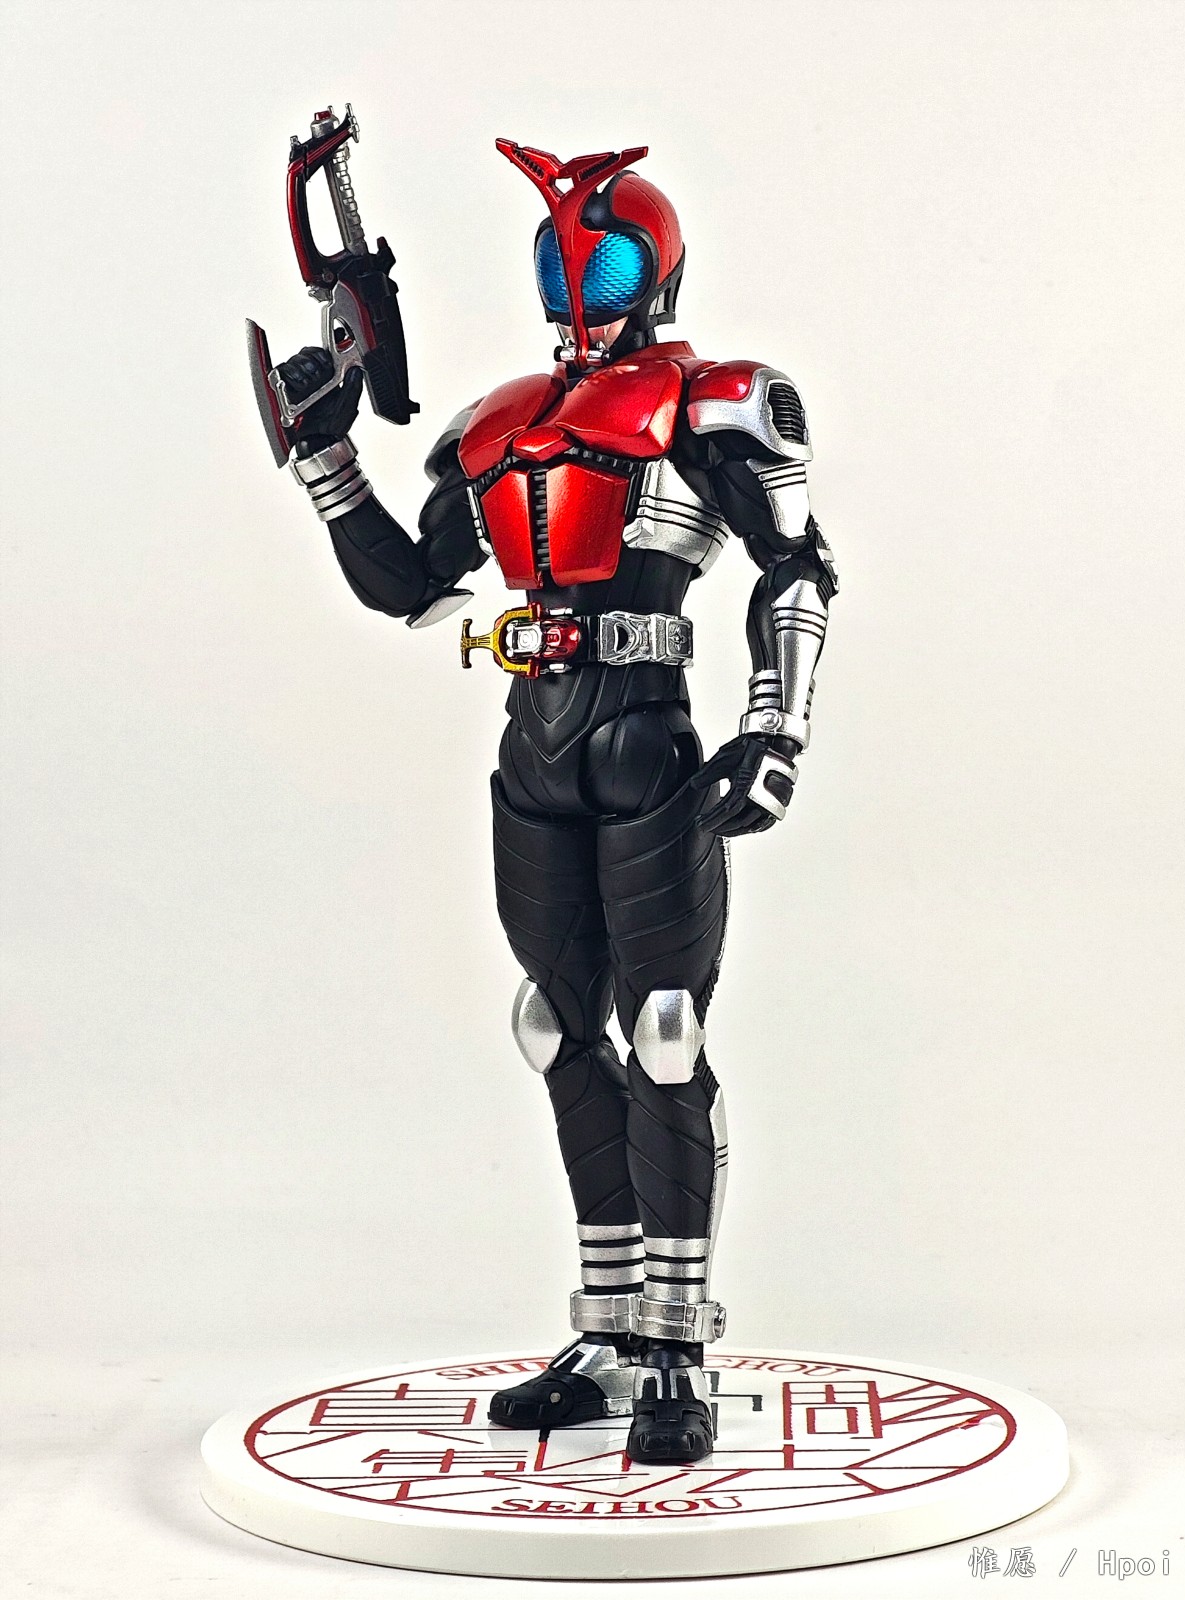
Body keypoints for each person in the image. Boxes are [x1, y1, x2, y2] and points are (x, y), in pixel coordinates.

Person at [275, 140, 838, 1464]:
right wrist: (326, 453)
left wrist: (775, 729)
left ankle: (678, 1340)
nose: (583, 286)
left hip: (651, 746)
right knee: (553, 1025)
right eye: (562, 260)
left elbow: (796, 568)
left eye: (609, 260)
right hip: (536, 744)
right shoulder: (500, 424)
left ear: (658, 269)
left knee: (664, 1033)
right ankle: (608, 1326)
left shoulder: (717, 403)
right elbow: (412, 588)